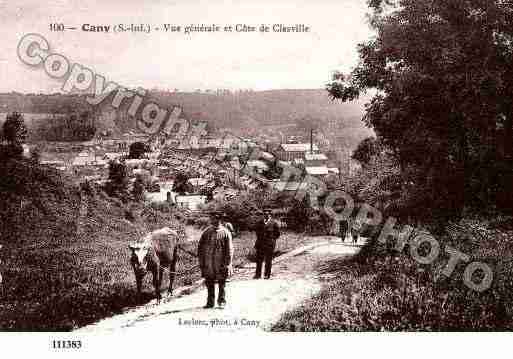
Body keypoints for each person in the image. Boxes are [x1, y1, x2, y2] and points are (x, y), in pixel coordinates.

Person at [198, 212, 234, 309]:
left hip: (221, 262)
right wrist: (201, 261)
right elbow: (200, 248)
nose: (214, 221)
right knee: (209, 282)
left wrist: (228, 263)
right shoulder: (206, 232)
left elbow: (230, 249)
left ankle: (221, 301)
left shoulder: (226, 232)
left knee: (222, 282)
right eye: (213, 219)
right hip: (208, 263)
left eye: (216, 219)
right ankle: (210, 302)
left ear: (220, 220)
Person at [254, 209, 281, 279]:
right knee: (259, 260)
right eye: (265, 214)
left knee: (268, 260)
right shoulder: (259, 222)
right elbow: (257, 232)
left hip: (269, 244)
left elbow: (277, 234)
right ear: (263, 215)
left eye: (267, 214)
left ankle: (267, 274)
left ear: (270, 215)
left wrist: (272, 240)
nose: (266, 215)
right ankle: (258, 274)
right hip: (260, 244)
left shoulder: (274, 223)